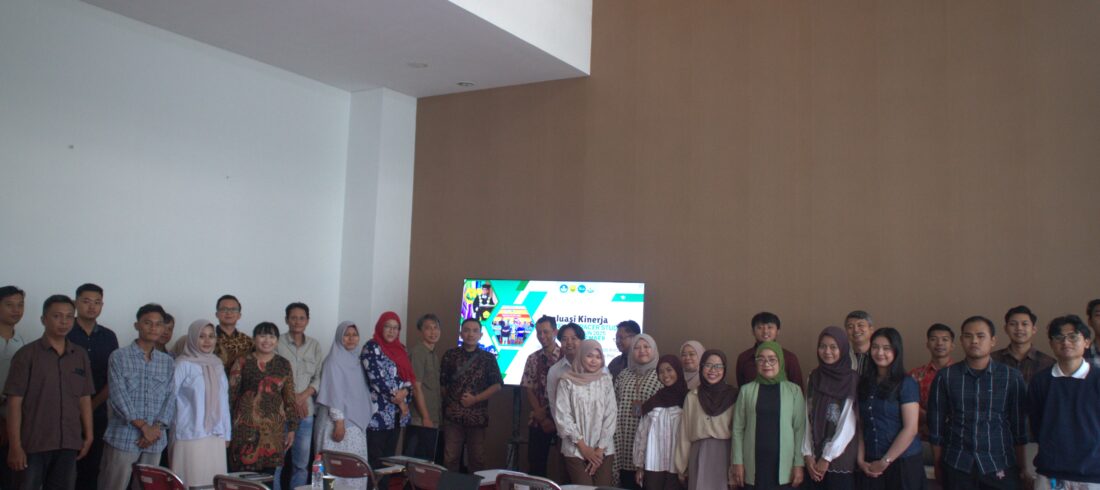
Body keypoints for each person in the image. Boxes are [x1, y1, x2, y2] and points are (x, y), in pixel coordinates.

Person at [4, 295, 94, 490]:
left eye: (69, 316)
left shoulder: (79, 355)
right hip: (33, 443)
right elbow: (14, 403)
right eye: (57, 316)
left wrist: (89, 435)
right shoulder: (26, 355)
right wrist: (15, 446)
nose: (64, 322)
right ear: (43, 319)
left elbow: (84, 397)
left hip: (69, 441)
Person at [929, 316, 1028, 490]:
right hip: (957, 462)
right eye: (968, 336)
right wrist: (938, 464)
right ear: (961, 340)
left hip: (999, 462)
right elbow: (936, 426)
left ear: (993, 341)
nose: (974, 341)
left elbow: (1019, 427)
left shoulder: (1011, 377)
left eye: (981, 336)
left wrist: (1023, 467)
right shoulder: (946, 376)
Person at [98, 304, 176, 490]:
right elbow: (118, 396)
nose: (153, 328)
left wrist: (155, 429)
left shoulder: (167, 362)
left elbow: (170, 397)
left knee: (147, 487)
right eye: (148, 323)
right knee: (113, 485)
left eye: (158, 324)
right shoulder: (119, 357)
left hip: (155, 440)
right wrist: (143, 427)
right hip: (124, 437)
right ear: (137, 325)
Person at [1028, 315, 1100, 488]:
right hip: (1050, 472)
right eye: (1059, 337)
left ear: (1086, 342)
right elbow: (1036, 424)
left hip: (1093, 474)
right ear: (1052, 344)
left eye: (1073, 337)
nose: (1066, 342)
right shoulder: (1040, 381)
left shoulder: (1097, 378)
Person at [730, 341, 807, 489]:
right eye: (761, 359)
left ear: (781, 361)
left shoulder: (794, 391)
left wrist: (799, 464)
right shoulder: (746, 391)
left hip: (785, 466)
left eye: (772, 359)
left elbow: (800, 430)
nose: (766, 364)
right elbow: (738, 429)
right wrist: (737, 461)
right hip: (753, 464)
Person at [228, 322, 297, 486]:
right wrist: (226, 427)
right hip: (245, 431)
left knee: (268, 480)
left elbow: (289, 398)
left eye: (272, 336)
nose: (267, 340)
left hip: (273, 433)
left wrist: (292, 428)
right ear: (254, 339)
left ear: (277, 341)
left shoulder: (284, 364)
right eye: (262, 335)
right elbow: (231, 396)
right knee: (243, 481)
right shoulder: (242, 362)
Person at [856, 328, 924, 490]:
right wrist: (860, 460)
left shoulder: (906, 383)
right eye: (875, 347)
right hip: (871, 461)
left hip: (903, 462)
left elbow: (911, 429)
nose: (880, 353)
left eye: (886, 348)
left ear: (896, 351)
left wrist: (885, 461)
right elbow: (860, 425)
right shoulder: (864, 382)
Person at [67, 283, 118, 490]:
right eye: (86, 301)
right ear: (75, 303)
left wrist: (91, 406)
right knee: (64, 468)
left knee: (92, 467)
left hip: (98, 410)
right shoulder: (65, 332)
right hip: (66, 411)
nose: (92, 306)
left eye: (97, 302)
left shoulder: (109, 336)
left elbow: (113, 377)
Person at [170, 319, 232, 488]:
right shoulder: (182, 364)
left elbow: (224, 401)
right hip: (190, 433)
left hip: (216, 434)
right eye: (201, 336)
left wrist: (227, 433)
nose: (207, 341)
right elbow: (169, 398)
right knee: (192, 480)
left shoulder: (217, 364)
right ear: (192, 338)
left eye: (211, 336)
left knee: (213, 481)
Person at [361, 312, 420, 481]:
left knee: (389, 461)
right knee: (374, 460)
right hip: (377, 416)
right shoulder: (371, 347)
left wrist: (405, 393)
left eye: (396, 328)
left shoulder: (401, 349)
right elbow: (376, 380)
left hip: (396, 416)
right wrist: (400, 401)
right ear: (380, 327)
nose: (391, 331)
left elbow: (408, 379)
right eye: (388, 326)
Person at [440, 318, 503, 472]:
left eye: (475, 331)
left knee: (477, 459)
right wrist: (452, 403)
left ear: (481, 335)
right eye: (467, 330)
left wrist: (475, 399)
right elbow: (442, 384)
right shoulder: (450, 355)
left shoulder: (488, 358)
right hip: (453, 417)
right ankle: (450, 485)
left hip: (477, 417)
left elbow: (497, 385)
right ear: (461, 333)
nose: (471, 334)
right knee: (450, 458)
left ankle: (476, 484)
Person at [317, 322, 374, 489]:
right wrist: (339, 422)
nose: (351, 338)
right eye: (346, 335)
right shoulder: (333, 361)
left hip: (355, 426)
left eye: (354, 335)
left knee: (354, 468)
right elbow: (334, 392)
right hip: (337, 424)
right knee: (335, 468)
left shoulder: (356, 360)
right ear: (339, 337)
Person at [802, 327, 859, 489]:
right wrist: (807, 454)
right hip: (814, 458)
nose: (827, 351)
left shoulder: (852, 379)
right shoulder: (814, 376)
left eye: (833, 347)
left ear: (843, 349)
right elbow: (806, 417)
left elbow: (848, 424)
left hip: (840, 458)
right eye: (822, 346)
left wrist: (827, 457)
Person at [554, 340, 617, 485]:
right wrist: (584, 448)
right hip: (575, 448)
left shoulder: (606, 380)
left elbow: (611, 414)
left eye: (598, 357)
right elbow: (563, 416)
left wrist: (599, 450)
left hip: (603, 449)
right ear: (581, 356)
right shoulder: (566, 381)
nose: (594, 361)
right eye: (589, 356)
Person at [274, 302, 322, 489]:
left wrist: (304, 395)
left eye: (302, 318)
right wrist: (293, 398)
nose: (297, 321)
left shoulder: (314, 345)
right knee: (277, 462)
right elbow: (272, 376)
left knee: (301, 464)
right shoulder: (276, 342)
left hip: (305, 413)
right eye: (293, 317)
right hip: (280, 412)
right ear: (286, 320)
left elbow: (319, 376)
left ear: (307, 321)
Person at [674, 349, 737, 490]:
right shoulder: (693, 396)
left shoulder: (734, 396)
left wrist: (734, 469)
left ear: (724, 369)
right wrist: (681, 466)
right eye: (708, 365)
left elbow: (737, 435)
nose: (713, 370)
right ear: (701, 367)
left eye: (718, 366)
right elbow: (684, 434)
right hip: (698, 453)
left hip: (725, 455)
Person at [614, 333, 662, 489]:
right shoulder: (624, 374)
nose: (642, 351)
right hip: (623, 439)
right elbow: (614, 403)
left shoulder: (661, 374)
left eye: (646, 347)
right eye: (637, 347)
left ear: (654, 349)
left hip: (648, 440)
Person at [633, 355, 688, 490]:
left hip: (678, 467)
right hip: (653, 465)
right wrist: (640, 466)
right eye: (661, 372)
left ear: (678, 371)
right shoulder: (653, 401)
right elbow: (642, 435)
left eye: (669, 370)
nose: (665, 375)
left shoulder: (688, 399)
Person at [520, 315, 560, 476]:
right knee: (536, 463)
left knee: (566, 464)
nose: (542, 336)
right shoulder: (533, 358)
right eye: (539, 332)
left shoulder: (567, 357)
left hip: (563, 419)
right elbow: (529, 388)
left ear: (555, 332)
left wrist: (552, 415)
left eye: (546, 332)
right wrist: (541, 416)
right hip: (539, 418)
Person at [404, 314, 442, 461]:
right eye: (428, 328)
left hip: (432, 416)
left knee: (427, 461)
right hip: (420, 419)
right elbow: (416, 387)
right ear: (421, 331)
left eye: (436, 328)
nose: (433, 332)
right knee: (416, 462)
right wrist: (426, 417)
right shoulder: (418, 352)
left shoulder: (433, 354)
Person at [0, 286, 28, 489]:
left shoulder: (23, 343)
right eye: (9, 305)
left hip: (13, 418)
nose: (16, 310)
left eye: (20, 305)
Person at [907, 323, 955, 440]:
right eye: (934, 339)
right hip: (921, 439)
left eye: (945, 339)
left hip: (954, 439)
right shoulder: (915, 374)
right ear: (927, 344)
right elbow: (905, 403)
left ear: (952, 345)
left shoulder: (961, 374)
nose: (939, 343)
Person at [735, 312, 805, 388]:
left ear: (778, 331)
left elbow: (797, 389)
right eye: (760, 327)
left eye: (770, 327)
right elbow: (742, 388)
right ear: (753, 332)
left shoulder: (790, 358)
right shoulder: (744, 358)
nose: (765, 331)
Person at [991, 305, 1055, 385]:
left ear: (1033, 329)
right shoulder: (992, 360)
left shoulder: (1048, 363)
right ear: (1006, 329)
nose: (1019, 328)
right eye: (1013, 324)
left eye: (1024, 324)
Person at [547, 323, 586, 420]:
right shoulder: (554, 371)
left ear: (582, 342)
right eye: (564, 339)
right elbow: (554, 405)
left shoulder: (596, 369)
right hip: (565, 427)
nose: (569, 342)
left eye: (573, 338)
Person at [214, 294, 253, 371]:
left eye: (233, 309)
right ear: (217, 314)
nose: (229, 313)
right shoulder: (207, 339)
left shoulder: (249, 342)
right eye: (224, 309)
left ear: (239, 315)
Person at [845, 310, 875, 376]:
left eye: (860, 325)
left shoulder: (879, 355)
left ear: (871, 329)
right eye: (850, 327)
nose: (855, 330)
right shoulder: (842, 356)